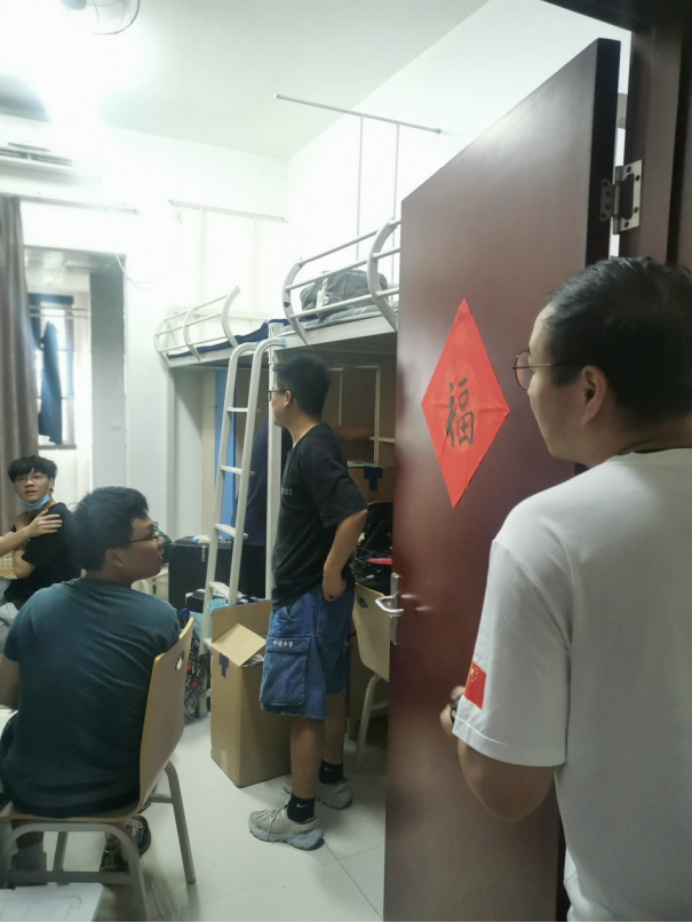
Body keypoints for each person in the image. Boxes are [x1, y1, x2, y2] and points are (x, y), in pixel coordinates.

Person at [440, 257, 692, 923]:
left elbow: (506, 787)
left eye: (530, 366)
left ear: (588, 389)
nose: (524, 386)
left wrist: (463, 720)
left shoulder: (549, 532)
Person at [0, 487, 180, 876]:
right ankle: (121, 835)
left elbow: (7, 695)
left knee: (16, 730)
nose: (160, 541)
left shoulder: (37, 606)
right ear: (115, 557)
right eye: (151, 534)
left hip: (36, 792)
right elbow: (162, 712)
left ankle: (29, 863)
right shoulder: (162, 618)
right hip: (126, 787)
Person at [249, 354, 368, 850]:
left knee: (305, 706)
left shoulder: (313, 448)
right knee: (331, 688)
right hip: (320, 600)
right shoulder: (316, 440)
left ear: (287, 397)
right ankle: (331, 779)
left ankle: (300, 817)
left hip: (307, 598)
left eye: (272, 392)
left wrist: (330, 570)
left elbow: (354, 512)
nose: (270, 400)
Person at [0, 456, 79, 646]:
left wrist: (22, 530)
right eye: (21, 479)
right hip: (21, 603)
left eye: (36, 477)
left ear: (51, 482)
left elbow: (21, 570)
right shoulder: (30, 517)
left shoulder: (55, 518)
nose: (28, 483)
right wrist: (25, 531)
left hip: (39, 609)